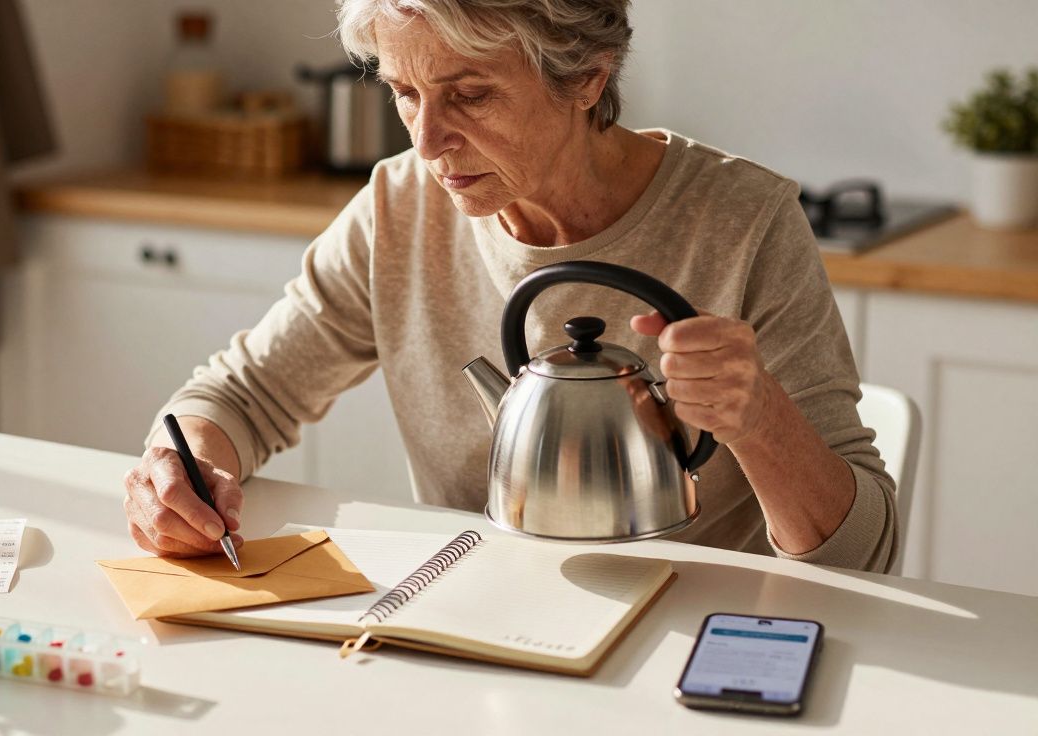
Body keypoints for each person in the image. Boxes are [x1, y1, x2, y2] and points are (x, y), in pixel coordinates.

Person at [121, 0, 898, 573]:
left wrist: (759, 418)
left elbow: (864, 556)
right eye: (404, 92)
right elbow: (242, 394)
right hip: (486, 623)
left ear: (587, 78)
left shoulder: (744, 222)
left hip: (701, 643)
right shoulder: (399, 207)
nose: (427, 141)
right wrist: (176, 469)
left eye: (469, 94)